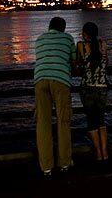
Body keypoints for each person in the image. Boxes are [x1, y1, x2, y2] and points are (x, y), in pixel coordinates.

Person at [34, 17, 76, 177]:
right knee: (63, 121)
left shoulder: (39, 39)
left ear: (49, 27)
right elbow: (74, 60)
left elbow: (40, 59)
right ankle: (64, 163)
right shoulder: (67, 38)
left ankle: (46, 167)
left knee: (43, 123)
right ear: (63, 28)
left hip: (40, 80)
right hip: (60, 80)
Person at [76, 22, 109, 161]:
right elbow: (106, 62)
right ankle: (105, 153)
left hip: (87, 88)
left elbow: (78, 65)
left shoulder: (81, 46)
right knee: (101, 121)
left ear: (85, 33)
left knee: (91, 121)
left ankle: (98, 153)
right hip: (102, 88)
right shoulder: (103, 44)